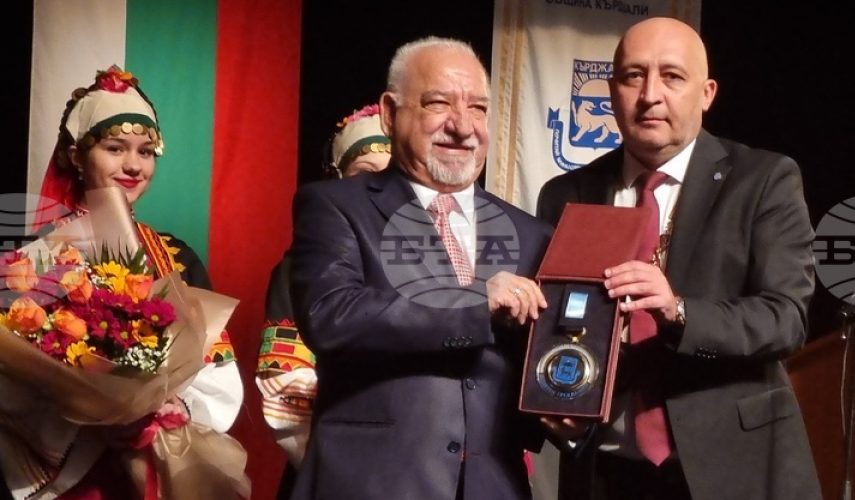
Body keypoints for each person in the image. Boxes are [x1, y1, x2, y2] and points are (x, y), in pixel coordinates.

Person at [537, 17, 822, 500]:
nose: (650, 95)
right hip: (605, 472)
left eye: (672, 76)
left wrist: (679, 311)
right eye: (633, 76)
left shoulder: (763, 180)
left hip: (733, 470)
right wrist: (561, 406)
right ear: (612, 91)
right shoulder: (566, 194)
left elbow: (785, 318)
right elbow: (553, 326)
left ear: (706, 93)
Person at [288, 37, 554, 500]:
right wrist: (475, 302)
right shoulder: (336, 206)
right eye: (438, 103)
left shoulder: (530, 233)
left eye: (477, 108)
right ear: (390, 113)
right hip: (370, 485)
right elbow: (331, 314)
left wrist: (567, 410)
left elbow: (532, 361)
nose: (462, 126)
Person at [0, 65, 244, 499]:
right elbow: (12, 378)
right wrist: (91, 415)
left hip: (155, 461)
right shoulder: (32, 258)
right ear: (77, 156)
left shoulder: (176, 255)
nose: (133, 165)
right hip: (69, 478)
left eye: (146, 152)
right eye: (115, 149)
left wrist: (173, 406)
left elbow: (214, 364)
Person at [255, 104, 391, 498]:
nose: (379, 188)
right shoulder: (302, 268)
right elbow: (285, 383)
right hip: (334, 471)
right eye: (364, 173)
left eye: (392, 174)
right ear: (336, 179)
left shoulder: (431, 264)